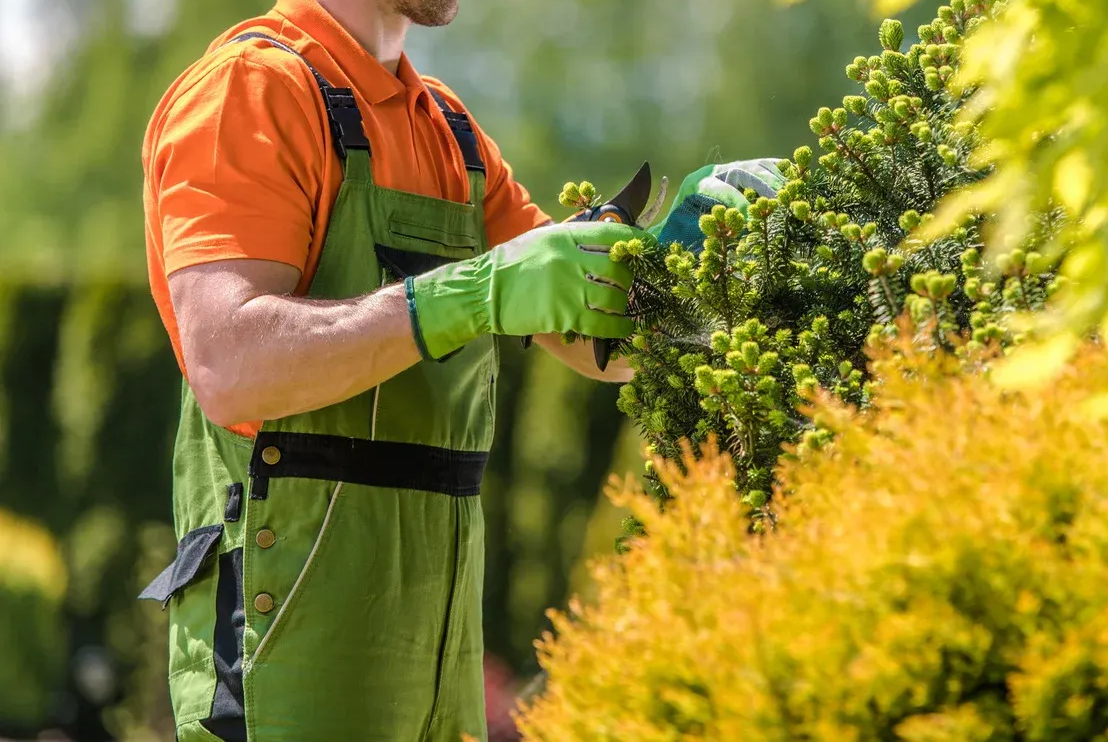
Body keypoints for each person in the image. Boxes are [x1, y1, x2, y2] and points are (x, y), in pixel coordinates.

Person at [136, 0, 781, 739]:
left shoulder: (448, 129)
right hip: (287, 653)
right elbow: (228, 361)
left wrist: (701, 271)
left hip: (435, 660)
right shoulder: (250, 90)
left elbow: (582, 327)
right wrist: (470, 293)